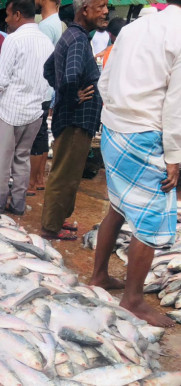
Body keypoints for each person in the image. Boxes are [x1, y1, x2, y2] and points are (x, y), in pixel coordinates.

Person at [90, 2, 181, 327]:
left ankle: (99, 276)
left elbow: (105, 81)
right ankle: (133, 299)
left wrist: (115, 114)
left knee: (118, 206)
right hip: (145, 134)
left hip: (115, 128)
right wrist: (174, 155)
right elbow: (175, 101)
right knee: (150, 217)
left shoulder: (131, 29)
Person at [0, 0, 53, 215]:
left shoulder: (13, 40)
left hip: (10, 112)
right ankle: (18, 204)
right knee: (22, 158)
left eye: (8, 16)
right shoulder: (46, 41)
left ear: (17, 15)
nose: (6, 20)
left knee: (2, 160)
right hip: (35, 112)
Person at [41, 0, 108, 240]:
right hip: (75, 121)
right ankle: (50, 227)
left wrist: (63, 94)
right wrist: (73, 97)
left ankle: (57, 219)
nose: (105, 11)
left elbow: (48, 69)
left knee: (67, 172)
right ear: (85, 9)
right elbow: (69, 77)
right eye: (101, 6)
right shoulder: (79, 39)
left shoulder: (71, 35)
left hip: (70, 118)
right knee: (65, 176)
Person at [28, 0, 63, 196]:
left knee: (37, 134)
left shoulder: (45, 27)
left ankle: (33, 181)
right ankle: (39, 178)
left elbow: (42, 63)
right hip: (48, 90)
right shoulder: (55, 23)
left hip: (41, 88)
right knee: (41, 132)